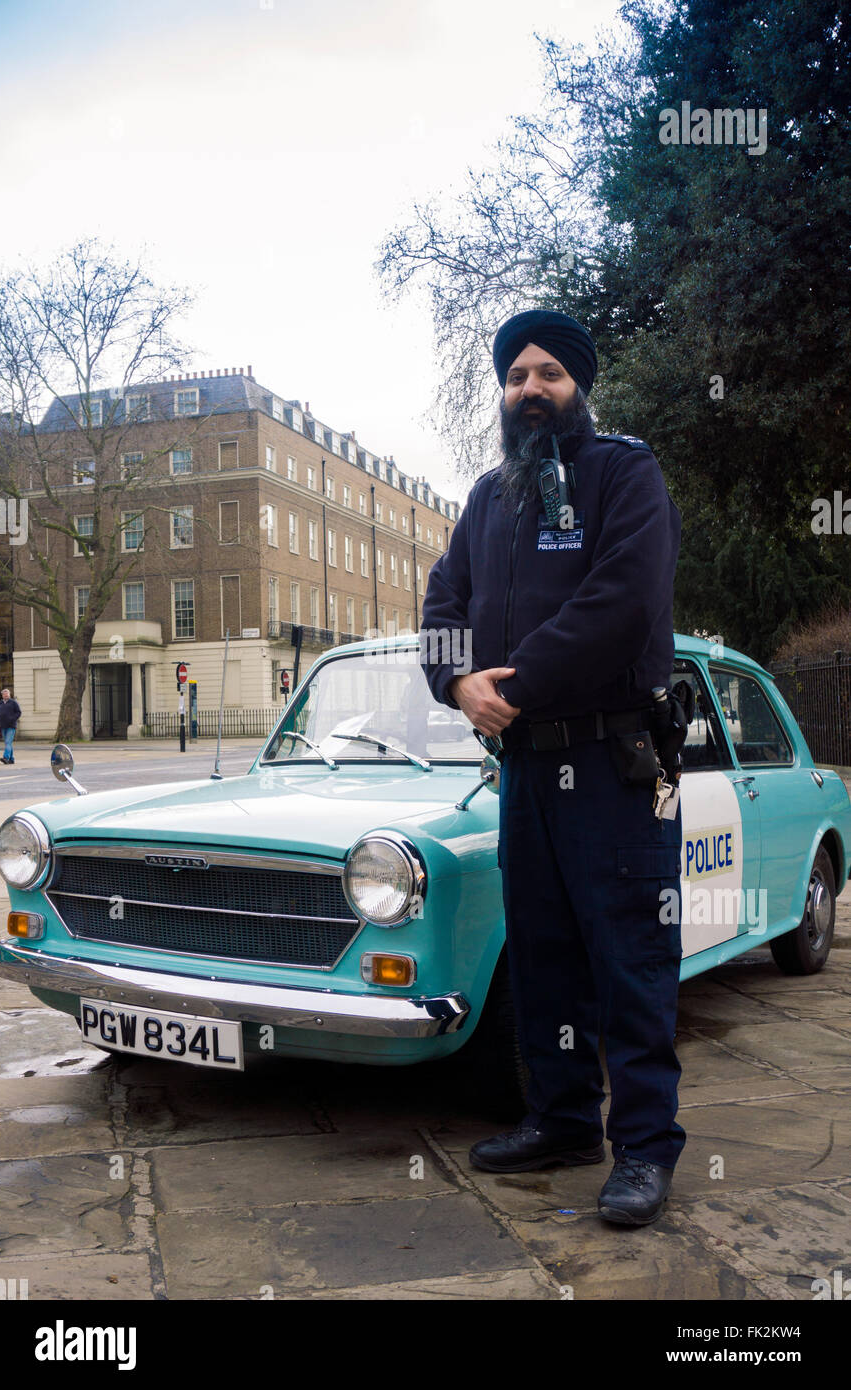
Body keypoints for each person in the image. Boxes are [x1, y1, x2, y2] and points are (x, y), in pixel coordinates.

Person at [420, 308, 686, 1226]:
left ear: (578, 387)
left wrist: (518, 684)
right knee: (543, 958)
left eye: (548, 375)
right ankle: (563, 1120)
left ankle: (646, 1151)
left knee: (631, 961)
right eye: (515, 376)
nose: (529, 389)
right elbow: (442, 602)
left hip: (614, 768)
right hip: (527, 773)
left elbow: (624, 601)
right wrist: (458, 682)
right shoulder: (490, 499)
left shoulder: (625, 473)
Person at [0, 687, 21, 764]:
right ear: (2, 695)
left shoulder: (13, 702)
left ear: (9, 694)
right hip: (3, 726)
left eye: (7, 694)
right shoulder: (0, 703)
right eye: (4, 694)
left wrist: (12, 719)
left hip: (11, 725)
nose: (6, 695)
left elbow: (18, 712)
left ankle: (6, 757)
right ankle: (11, 759)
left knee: (7, 742)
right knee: (8, 743)